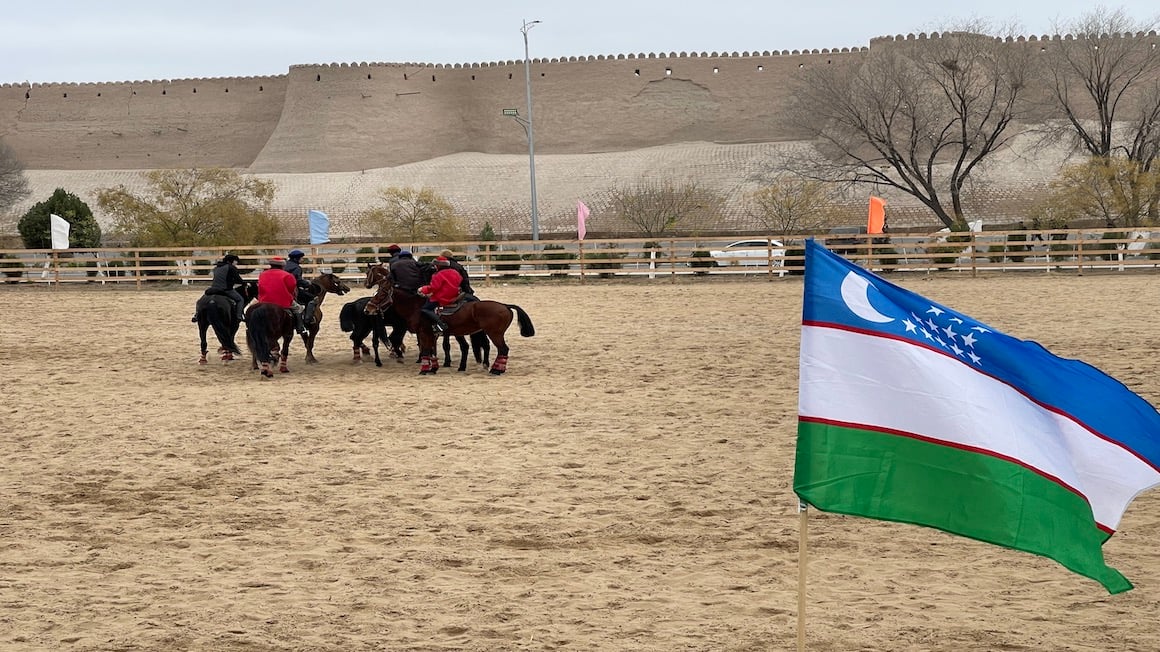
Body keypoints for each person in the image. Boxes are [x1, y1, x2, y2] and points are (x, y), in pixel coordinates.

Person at [258, 257, 309, 336]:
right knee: (298, 308)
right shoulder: (287, 275)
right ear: (282, 266)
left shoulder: (262, 274)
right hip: (282, 300)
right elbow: (291, 288)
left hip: (264, 300)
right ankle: (300, 327)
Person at [418, 256, 463, 333]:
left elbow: (434, 288)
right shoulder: (454, 272)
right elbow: (460, 279)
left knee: (425, 309)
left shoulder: (438, 275)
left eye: (435, 265)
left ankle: (441, 324)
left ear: (438, 265)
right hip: (455, 296)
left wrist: (423, 289)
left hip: (442, 298)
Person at [198, 253, 248, 323]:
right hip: (225, 289)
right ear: (232, 261)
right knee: (240, 300)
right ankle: (239, 316)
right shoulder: (231, 267)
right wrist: (245, 283)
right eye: (236, 261)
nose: (236, 263)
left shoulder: (216, 268)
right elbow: (238, 280)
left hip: (213, 289)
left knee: (202, 300)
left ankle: (197, 314)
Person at [285, 249, 318, 326]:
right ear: (296, 258)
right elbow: (297, 281)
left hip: (281, 288)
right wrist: (307, 283)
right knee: (313, 298)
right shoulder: (297, 267)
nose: (302, 260)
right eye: (301, 258)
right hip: (291, 290)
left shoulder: (285, 264)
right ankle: (308, 319)